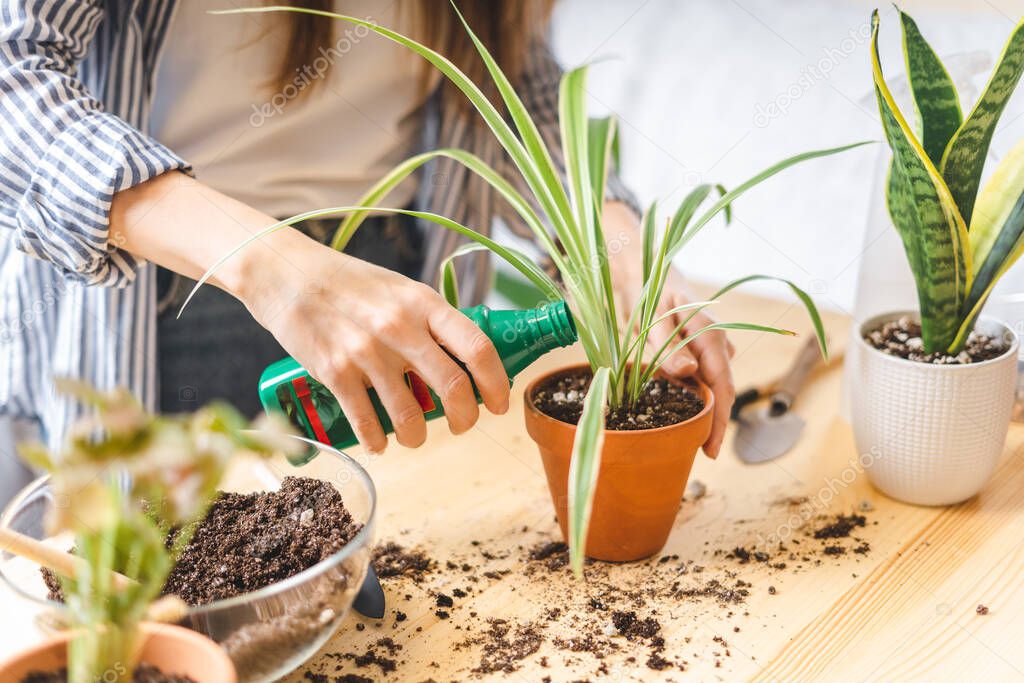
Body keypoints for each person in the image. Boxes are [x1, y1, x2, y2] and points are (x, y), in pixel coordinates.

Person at [0, 1, 735, 474]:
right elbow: (14, 79)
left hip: (399, 293)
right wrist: (275, 267)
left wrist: (607, 234)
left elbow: (514, 73)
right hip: (167, 304)